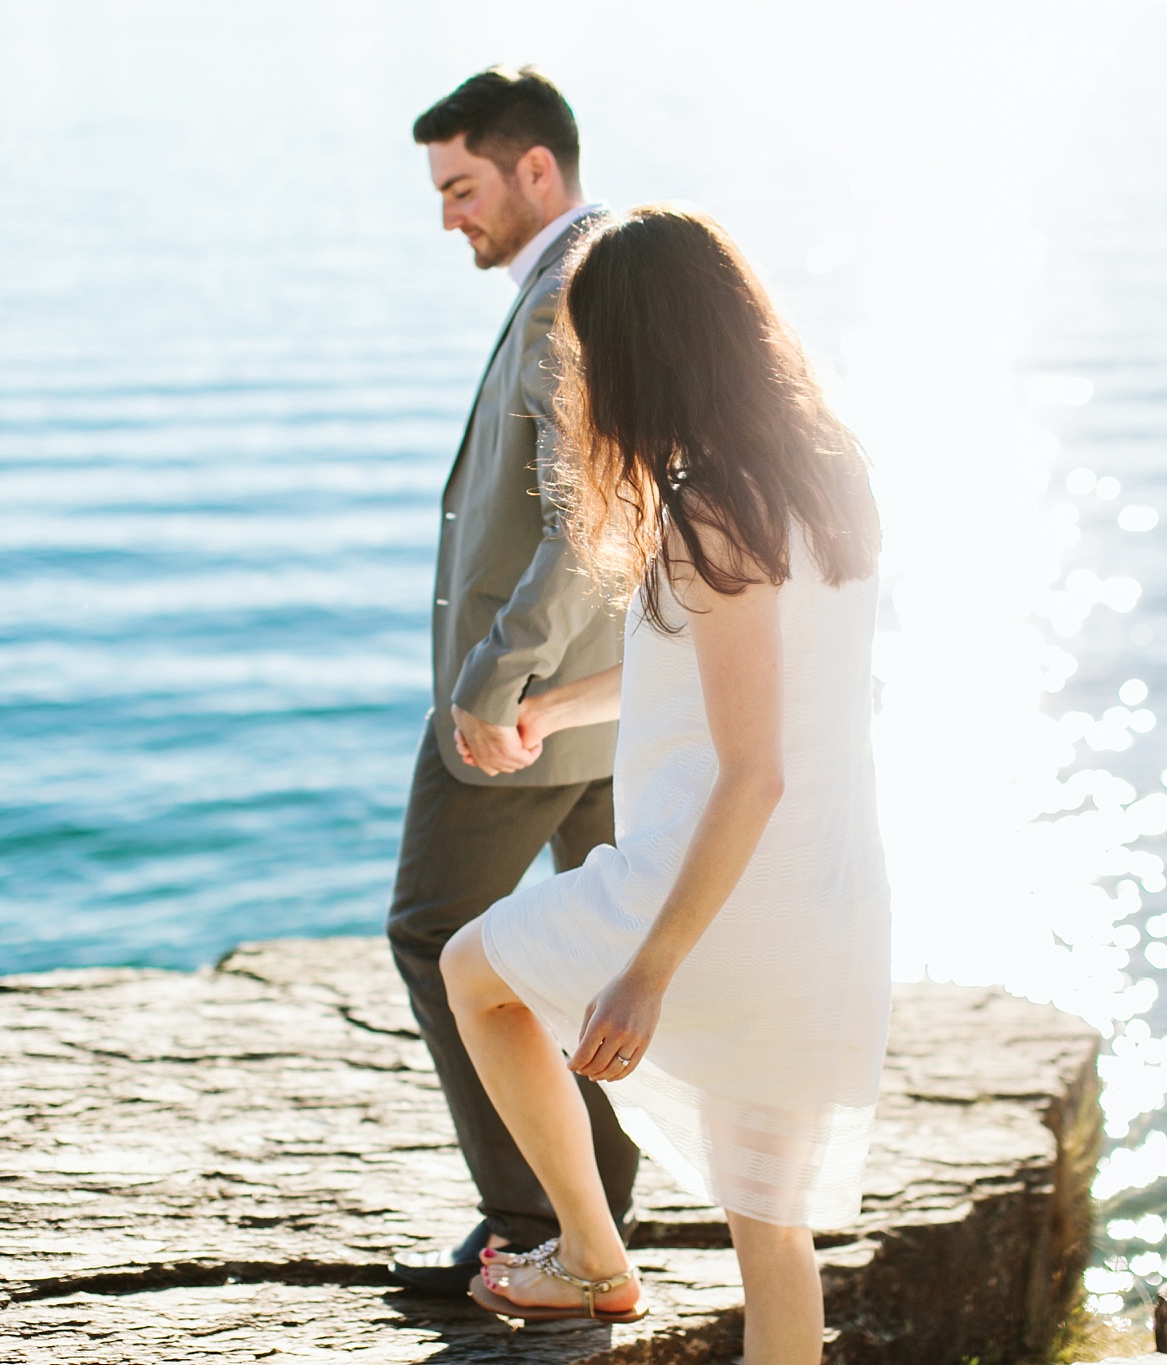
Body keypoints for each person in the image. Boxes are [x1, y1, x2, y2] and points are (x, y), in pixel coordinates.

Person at [440, 206, 891, 1363]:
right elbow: (715, 683)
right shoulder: (826, 474)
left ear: (639, 353)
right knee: (771, 1238)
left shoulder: (706, 510)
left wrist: (646, 974)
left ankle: (591, 1258)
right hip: (822, 903)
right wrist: (556, 705)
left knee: (471, 973)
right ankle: (595, 1262)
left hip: (706, 890)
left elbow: (750, 772)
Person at [385, 66, 640, 1297]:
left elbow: (586, 517)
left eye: (462, 186)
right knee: (603, 955)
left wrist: (495, 677)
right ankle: (599, 1211)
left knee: (435, 930)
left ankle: (532, 1215)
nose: (448, 216)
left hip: (533, 715)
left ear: (535, 167)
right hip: (604, 705)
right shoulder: (601, 274)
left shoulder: (566, 294)